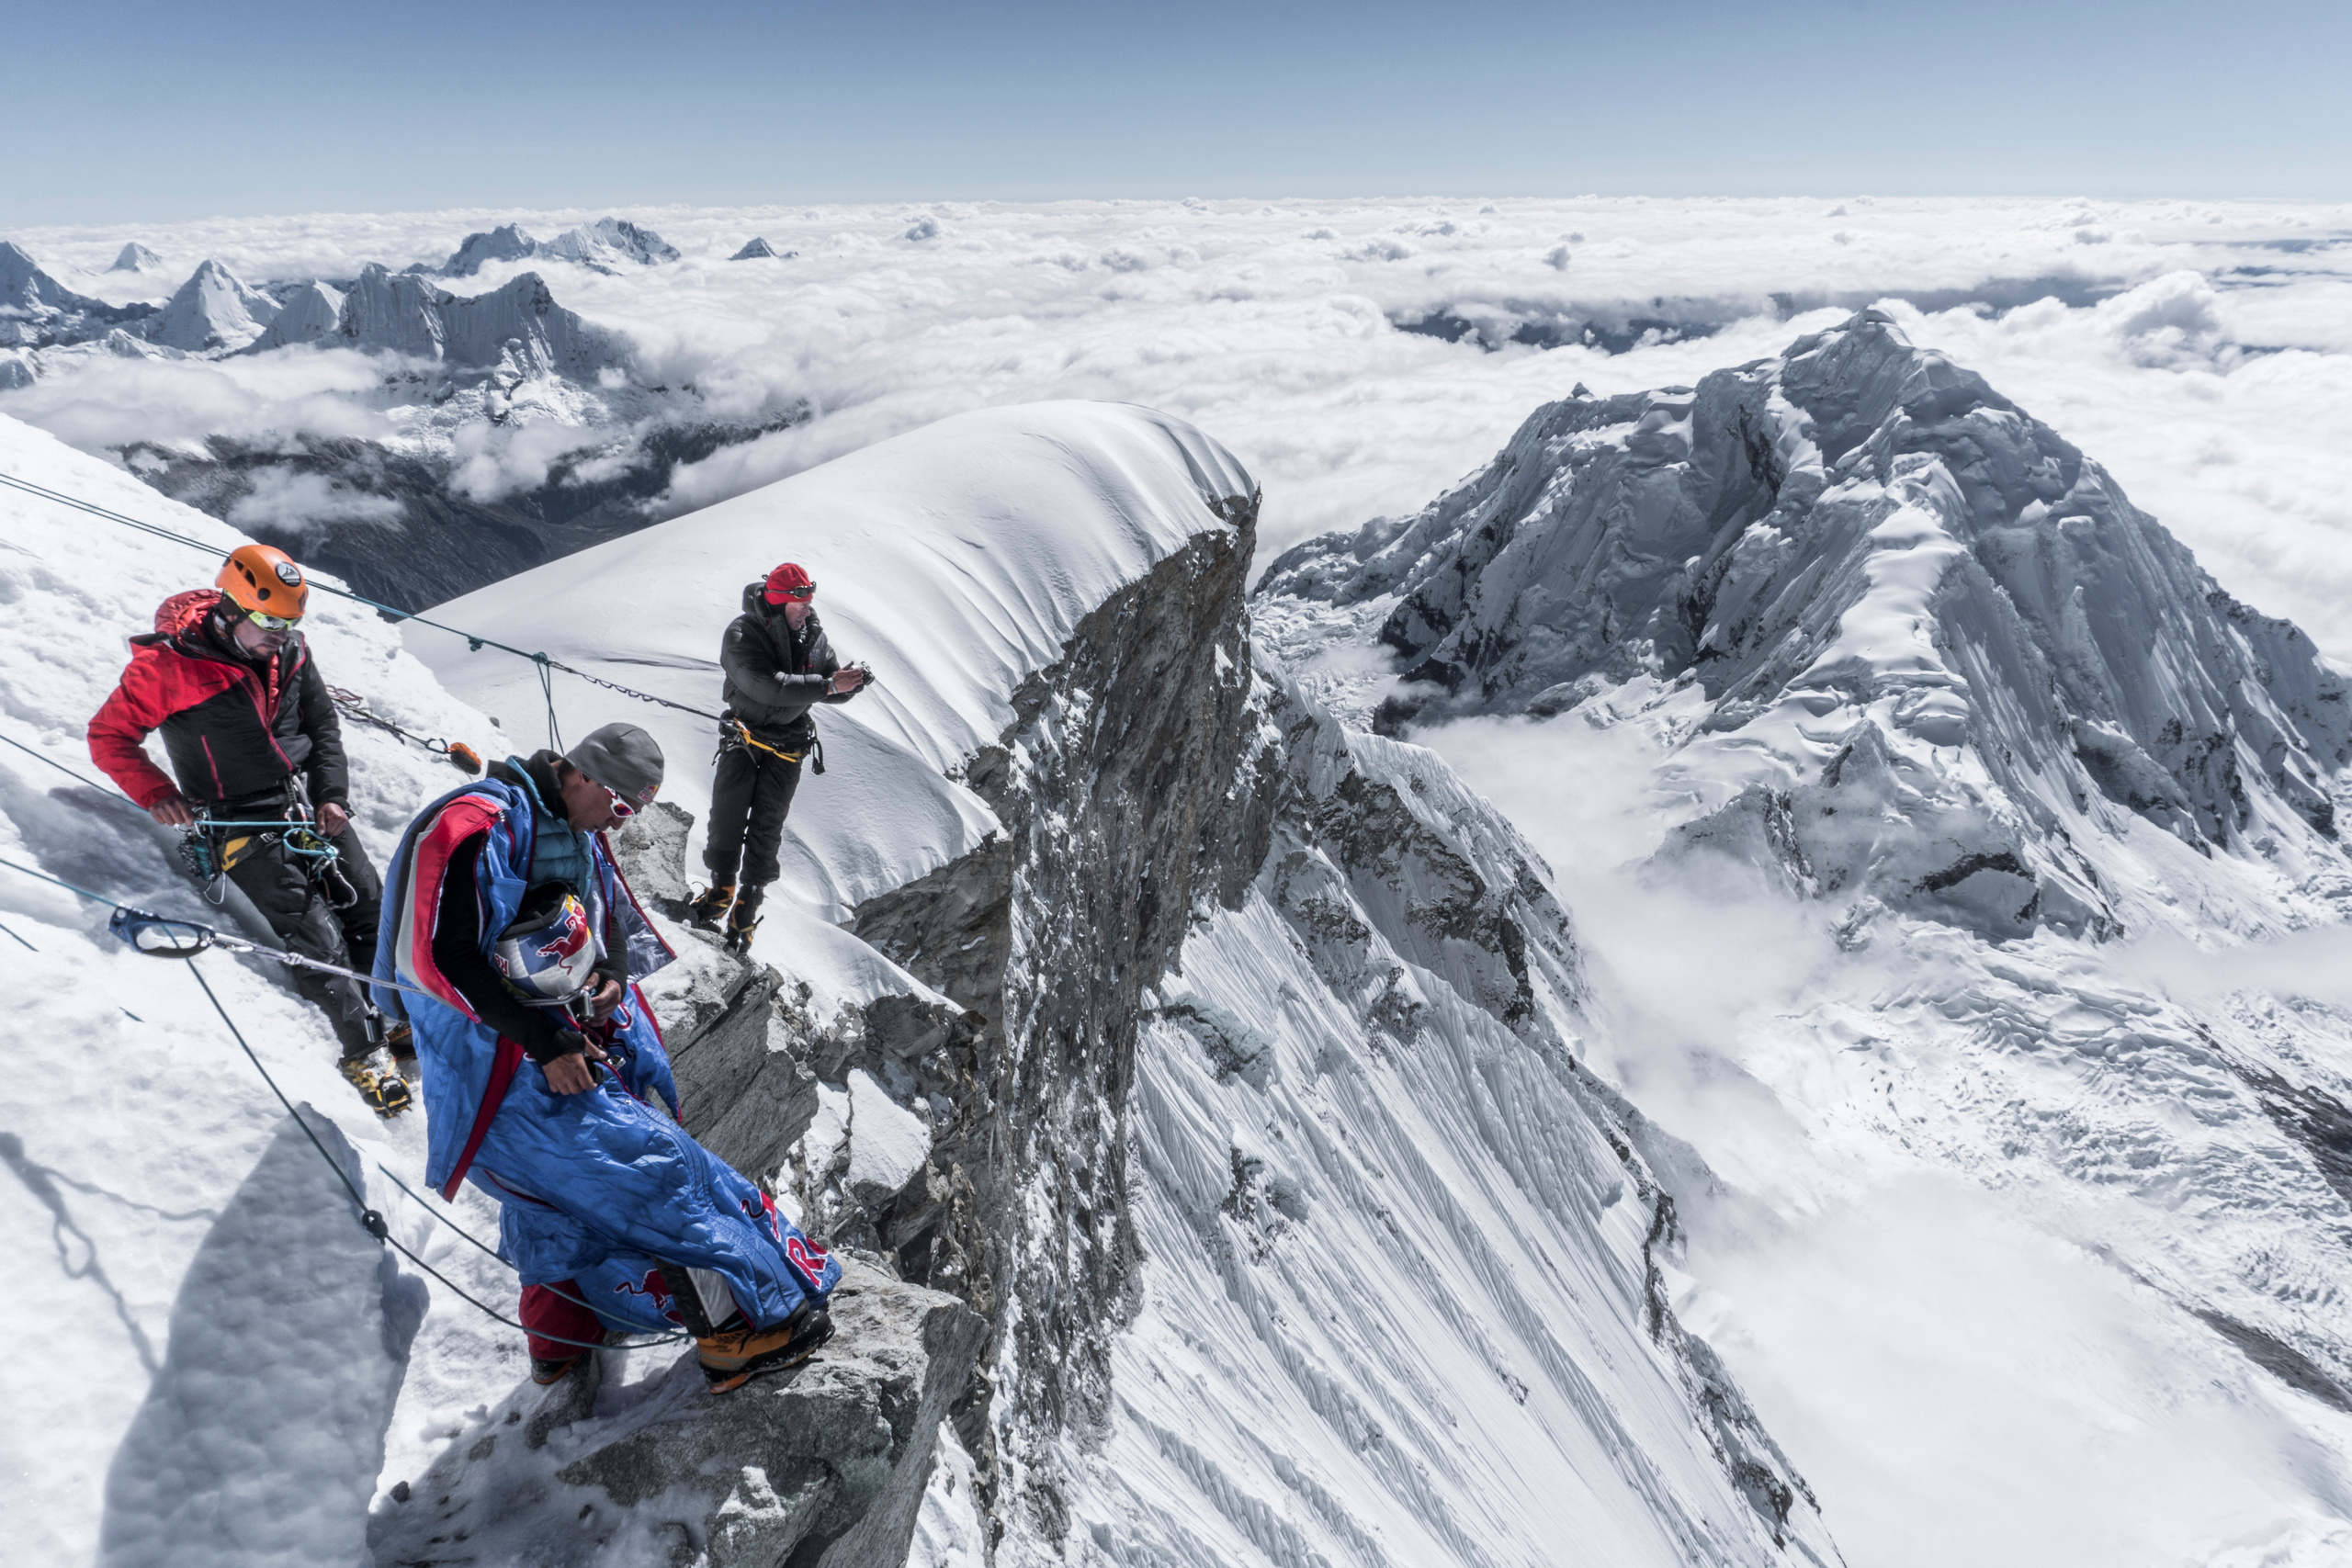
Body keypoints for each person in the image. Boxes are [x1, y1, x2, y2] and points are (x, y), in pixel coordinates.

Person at [371, 721, 842, 1392]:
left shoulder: (571, 829)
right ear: (582, 773)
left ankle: (561, 1339)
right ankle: (733, 1335)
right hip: (490, 1066)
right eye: (619, 805)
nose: (619, 823)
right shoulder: (480, 826)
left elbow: (606, 917)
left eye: (632, 813)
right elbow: (443, 959)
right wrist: (546, 1043)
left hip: (543, 1040)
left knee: (556, 1196)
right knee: (648, 1173)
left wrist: (610, 977)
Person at [88, 543, 409, 1113]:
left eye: (289, 623)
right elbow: (109, 737)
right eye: (269, 622)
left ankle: (394, 1014)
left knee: (369, 907)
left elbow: (322, 726)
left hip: (302, 804)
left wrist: (332, 795)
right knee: (315, 934)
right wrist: (157, 792)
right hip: (234, 819)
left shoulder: (292, 651)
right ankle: (364, 1052)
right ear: (231, 610)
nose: (280, 635)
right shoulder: (168, 668)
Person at [685, 562, 866, 951]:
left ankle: (747, 904)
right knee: (728, 815)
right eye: (800, 603)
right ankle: (722, 890)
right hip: (744, 737)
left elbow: (827, 685)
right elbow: (767, 687)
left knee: (768, 826)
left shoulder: (814, 636)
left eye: (809, 602)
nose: (808, 609)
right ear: (779, 601)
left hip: (787, 744)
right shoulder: (741, 633)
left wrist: (850, 684)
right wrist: (831, 685)